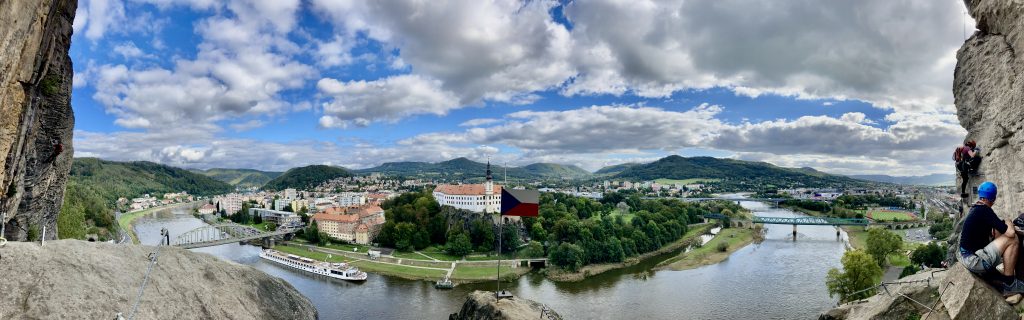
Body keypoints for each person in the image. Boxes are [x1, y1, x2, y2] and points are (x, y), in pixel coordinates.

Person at [958, 181, 1024, 294]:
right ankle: (1010, 284)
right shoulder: (984, 210)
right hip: (974, 261)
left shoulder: (976, 208)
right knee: (1013, 240)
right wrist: (1009, 221)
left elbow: (999, 227)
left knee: (999, 231)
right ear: (993, 198)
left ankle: (1005, 267)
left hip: (965, 256)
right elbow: (1011, 234)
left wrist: (1005, 226)